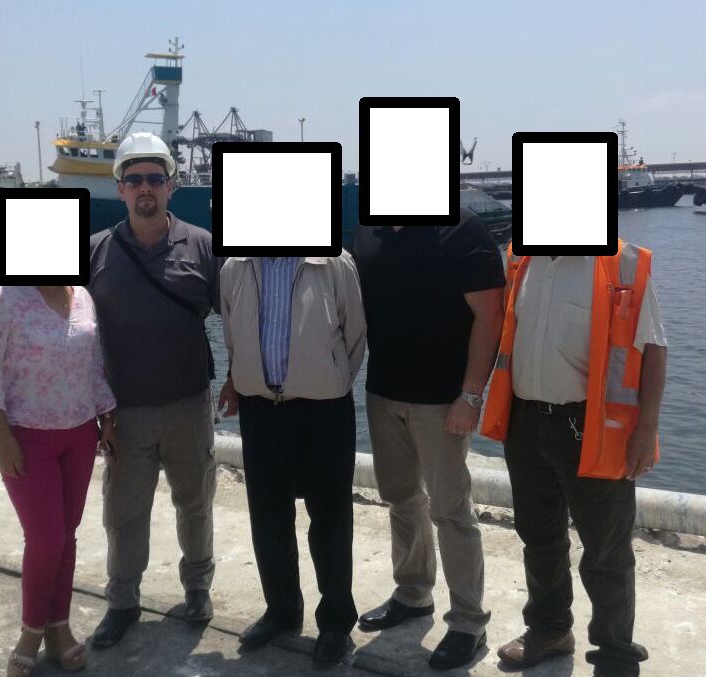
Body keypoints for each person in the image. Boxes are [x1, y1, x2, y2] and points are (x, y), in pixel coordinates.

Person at [480, 243, 667, 677]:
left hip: (594, 427)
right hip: (526, 423)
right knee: (539, 538)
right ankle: (549, 630)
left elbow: (654, 348)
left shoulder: (623, 263)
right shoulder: (519, 261)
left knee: (606, 550)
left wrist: (647, 428)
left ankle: (616, 654)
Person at [350, 211, 505, 670]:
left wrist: (471, 396)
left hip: (442, 400)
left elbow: (490, 316)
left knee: (451, 510)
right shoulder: (367, 234)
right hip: (383, 392)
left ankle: (468, 623)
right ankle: (414, 593)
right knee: (400, 498)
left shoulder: (462, 231)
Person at [85, 131, 221, 647]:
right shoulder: (96, 251)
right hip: (124, 412)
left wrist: (234, 379)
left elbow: (238, 313)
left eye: (155, 178)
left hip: (189, 403)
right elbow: (76, 337)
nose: (145, 188)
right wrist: (96, 410)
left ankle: (197, 589)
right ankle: (122, 601)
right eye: (135, 179)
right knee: (123, 513)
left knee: (196, 504)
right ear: (120, 188)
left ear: (170, 185)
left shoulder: (204, 245)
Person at [217, 252, 366, 667]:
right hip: (259, 407)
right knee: (267, 515)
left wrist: (327, 379)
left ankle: (335, 620)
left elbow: (354, 335)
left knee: (331, 517)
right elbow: (231, 333)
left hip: (324, 408)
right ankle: (282, 610)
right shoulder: (235, 267)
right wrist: (241, 376)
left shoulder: (334, 263)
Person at [0, 284, 117, 677]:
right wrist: (2, 438)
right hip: (27, 436)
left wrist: (107, 417)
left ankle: (60, 627)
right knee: (45, 539)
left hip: (80, 433)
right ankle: (31, 633)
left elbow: (94, 364)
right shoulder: (1, 303)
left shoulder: (84, 297)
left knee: (66, 534)